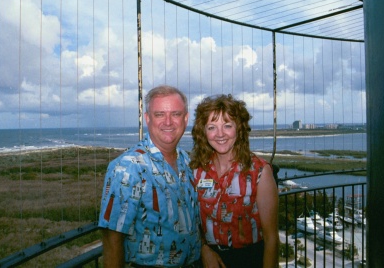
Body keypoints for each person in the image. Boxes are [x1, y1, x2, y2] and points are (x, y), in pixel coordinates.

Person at [98, 85, 202, 267]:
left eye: (176, 114)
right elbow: (111, 239)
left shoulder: (186, 160)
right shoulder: (127, 167)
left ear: (185, 119)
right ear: (147, 119)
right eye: (159, 114)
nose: (168, 122)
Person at [190, 94, 279, 268]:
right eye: (212, 127)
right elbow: (191, 221)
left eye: (227, 125)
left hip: (249, 260)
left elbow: (271, 238)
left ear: (239, 129)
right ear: (203, 132)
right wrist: (204, 249)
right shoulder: (196, 171)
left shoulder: (259, 172)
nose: (220, 134)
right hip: (207, 261)